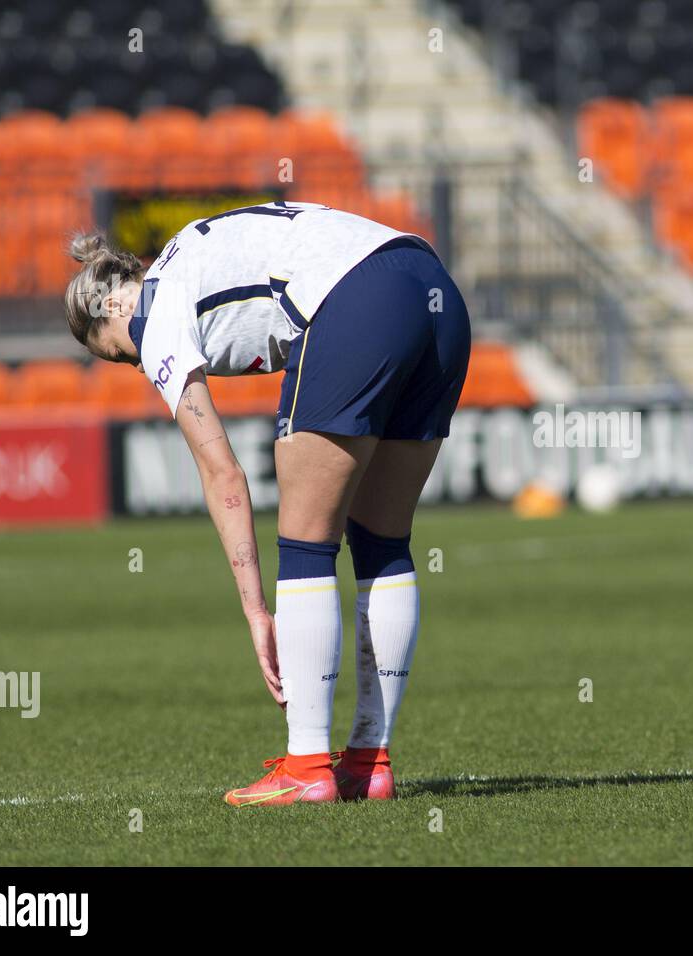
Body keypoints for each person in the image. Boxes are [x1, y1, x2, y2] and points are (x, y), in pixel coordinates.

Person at [64, 201, 471, 805]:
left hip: (355, 298)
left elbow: (224, 475)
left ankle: (307, 766)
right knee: (383, 541)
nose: (138, 362)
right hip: (431, 286)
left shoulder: (151, 309)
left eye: (121, 354)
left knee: (307, 542)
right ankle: (368, 762)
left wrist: (257, 612)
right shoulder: (189, 255)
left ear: (112, 307)